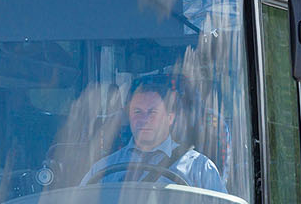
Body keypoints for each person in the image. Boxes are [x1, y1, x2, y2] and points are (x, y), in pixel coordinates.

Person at [80, 71, 227, 192]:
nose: (144, 119)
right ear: (129, 116)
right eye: (137, 111)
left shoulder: (199, 169)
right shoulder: (102, 171)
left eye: (152, 112)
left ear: (170, 118)